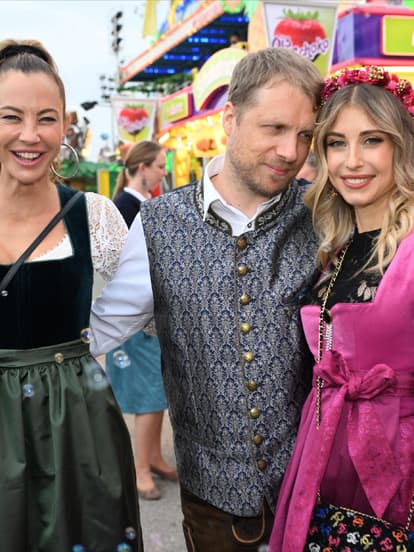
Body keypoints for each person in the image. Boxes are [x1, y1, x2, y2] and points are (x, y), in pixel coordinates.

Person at [91, 47, 324, 551]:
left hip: (313, 496)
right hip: (211, 505)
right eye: (275, 128)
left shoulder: (323, 217)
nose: (291, 150)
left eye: (305, 135)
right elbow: (95, 332)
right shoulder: (158, 224)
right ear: (230, 118)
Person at [0, 39, 142, 551]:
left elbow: (143, 309)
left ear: (66, 128)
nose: (30, 136)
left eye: (47, 118)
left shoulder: (95, 215)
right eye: (11, 116)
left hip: (78, 430)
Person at [269, 66, 414, 551]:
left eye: (372, 140)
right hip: (320, 461)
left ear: (402, 146)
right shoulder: (333, 244)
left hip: (398, 471)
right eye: (336, 143)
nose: (352, 161)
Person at [106, 140, 178, 501]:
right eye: (160, 165)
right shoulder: (124, 206)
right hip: (137, 315)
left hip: (152, 311)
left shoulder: (140, 203)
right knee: (150, 396)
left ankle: (153, 457)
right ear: (142, 168)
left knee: (159, 393)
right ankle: (139, 470)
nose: (164, 171)